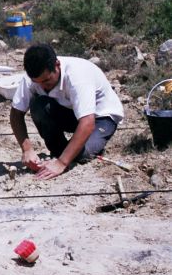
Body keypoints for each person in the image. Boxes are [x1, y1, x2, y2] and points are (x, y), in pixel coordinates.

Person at [10, 43, 124, 180]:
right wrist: (27, 149)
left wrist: (62, 163)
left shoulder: (77, 76)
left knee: (80, 156)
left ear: (57, 65)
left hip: (101, 117)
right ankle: (59, 151)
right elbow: (16, 113)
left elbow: (87, 122)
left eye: (46, 80)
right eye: (37, 82)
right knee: (39, 105)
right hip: (72, 113)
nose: (42, 86)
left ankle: (69, 154)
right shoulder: (32, 78)